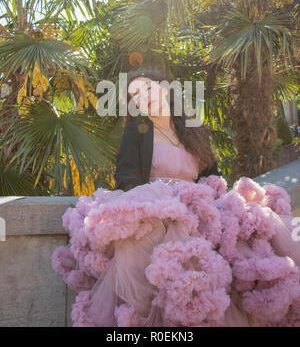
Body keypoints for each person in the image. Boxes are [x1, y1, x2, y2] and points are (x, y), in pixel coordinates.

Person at [51, 69, 300, 327]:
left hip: (199, 211)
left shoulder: (194, 130)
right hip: (161, 213)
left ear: (164, 89)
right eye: (135, 95)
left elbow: (212, 178)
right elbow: (126, 180)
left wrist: (207, 205)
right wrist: (162, 202)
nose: (142, 97)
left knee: (250, 235)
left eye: (147, 88)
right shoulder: (137, 132)